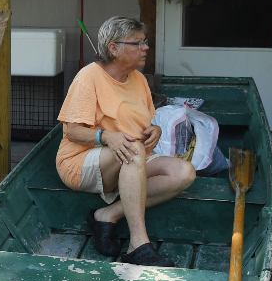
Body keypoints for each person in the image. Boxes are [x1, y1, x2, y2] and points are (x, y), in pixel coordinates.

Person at [55, 16, 195, 267]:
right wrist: (105, 135)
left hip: (130, 158)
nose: (146, 48)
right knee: (133, 150)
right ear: (113, 48)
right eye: (137, 43)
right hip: (80, 162)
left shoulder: (139, 79)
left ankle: (108, 214)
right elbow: (72, 131)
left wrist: (155, 130)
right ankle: (138, 245)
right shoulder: (88, 77)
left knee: (184, 172)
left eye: (145, 42)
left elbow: (145, 121)